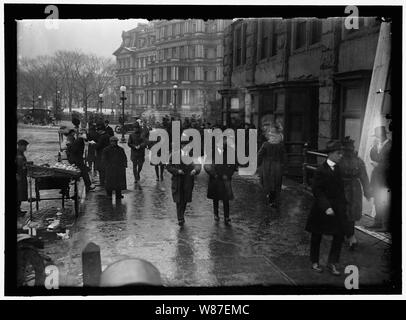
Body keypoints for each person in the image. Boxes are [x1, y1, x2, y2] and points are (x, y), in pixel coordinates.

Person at [305, 140, 347, 276]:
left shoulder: (339, 169)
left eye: (341, 153)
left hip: (338, 208)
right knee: (317, 235)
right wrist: (326, 207)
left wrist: (344, 205)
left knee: (339, 235)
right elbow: (317, 190)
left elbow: (341, 190)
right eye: (338, 153)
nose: (341, 155)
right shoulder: (321, 170)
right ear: (330, 154)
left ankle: (332, 263)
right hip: (322, 209)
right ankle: (314, 262)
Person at [340, 137, 371, 249]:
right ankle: (349, 236)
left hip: (349, 189)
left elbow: (364, 177)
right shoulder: (356, 161)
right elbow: (364, 178)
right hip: (348, 188)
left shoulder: (343, 160)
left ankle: (349, 236)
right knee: (347, 213)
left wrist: (367, 191)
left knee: (348, 213)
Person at [166, 136, 201, 226]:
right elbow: (169, 166)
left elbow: (198, 165)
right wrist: (177, 171)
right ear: (181, 146)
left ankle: (182, 215)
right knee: (179, 199)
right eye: (184, 145)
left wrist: (195, 170)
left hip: (188, 180)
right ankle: (180, 218)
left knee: (185, 199)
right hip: (178, 180)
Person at [204, 136, 238, 225]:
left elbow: (233, 165)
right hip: (215, 178)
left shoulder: (230, 153)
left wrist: (228, 175)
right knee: (215, 198)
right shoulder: (212, 152)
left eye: (224, 143)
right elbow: (206, 165)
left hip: (225, 179)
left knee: (226, 198)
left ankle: (227, 216)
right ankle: (216, 214)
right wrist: (213, 174)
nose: (223, 144)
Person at [369, 126, 392, 231]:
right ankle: (377, 222)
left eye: (377, 136)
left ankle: (385, 225)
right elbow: (373, 157)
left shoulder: (390, 145)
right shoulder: (378, 145)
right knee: (377, 200)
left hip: (386, 178)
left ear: (382, 135)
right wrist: (373, 147)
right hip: (377, 178)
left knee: (385, 202)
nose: (377, 138)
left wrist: (378, 166)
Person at [257, 127, 286, 208]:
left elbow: (259, 155)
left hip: (267, 166)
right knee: (276, 182)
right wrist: (284, 165)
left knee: (267, 181)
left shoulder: (265, 144)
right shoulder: (280, 145)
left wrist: (258, 164)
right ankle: (274, 198)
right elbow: (284, 156)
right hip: (277, 166)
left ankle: (270, 196)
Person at [102, 136, 127, 201]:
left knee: (118, 182)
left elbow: (124, 157)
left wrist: (124, 165)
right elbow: (104, 159)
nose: (114, 143)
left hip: (118, 168)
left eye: (115, 142)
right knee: (109, 182)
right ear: (110, 142)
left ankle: (118, 194)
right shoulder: (106, 149)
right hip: (110, 168)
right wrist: (106, 166)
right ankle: (109, 194)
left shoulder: (120, 149)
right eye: (112, 142)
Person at [16, 139, 29, 216]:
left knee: (20, 193)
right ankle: (17, 212)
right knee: (18, 193)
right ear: (20, 146)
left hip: (22, 176)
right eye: (24, 146)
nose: (25, 148)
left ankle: (19, 210)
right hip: (19, 176)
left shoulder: (20, 153)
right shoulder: (18, 154)